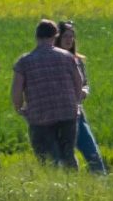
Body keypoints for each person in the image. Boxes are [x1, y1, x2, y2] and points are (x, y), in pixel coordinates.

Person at [11, 19, 83, 169]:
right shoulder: (68, 57)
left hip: (40, 116)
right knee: (68, 154)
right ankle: (73, 185)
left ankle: (52, 184)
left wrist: (19, 108)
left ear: (37, 36)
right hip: (67, 113)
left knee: (47, 158)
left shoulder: (24, 62)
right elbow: (78, 82)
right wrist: (75, 103)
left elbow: (17, 90)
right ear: (55, 36)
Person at [56, 22, 106, 174]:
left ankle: (101, 181)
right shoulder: (52, 60)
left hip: (76, 110)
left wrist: (84, 91)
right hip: (58, 112)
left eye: (72, 36)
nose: (69, 40)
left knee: (91, 151)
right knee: (63, 155)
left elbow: (85, 83)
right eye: (65, 36)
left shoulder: (77, 60)